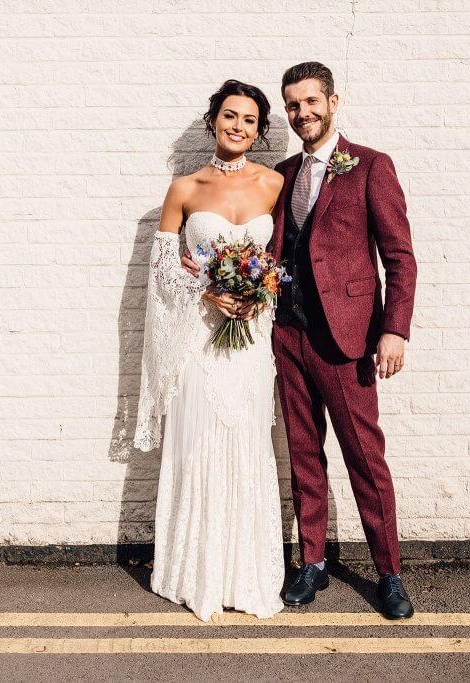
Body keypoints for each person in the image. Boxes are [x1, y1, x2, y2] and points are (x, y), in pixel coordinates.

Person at [184, 62, 418, 619]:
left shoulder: (370, 167)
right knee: (304, 455)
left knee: (365, 457)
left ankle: (388, 573)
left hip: (349, 340)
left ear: (333, 102)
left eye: (311, 102)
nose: (302, 113)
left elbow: (400, 257)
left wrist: (393, 329)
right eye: (292, 106)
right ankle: (312, 562)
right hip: (285, 335)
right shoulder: (281, 174)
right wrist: (211, 277)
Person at [133, 80, 286, 622]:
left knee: (245, 443)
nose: (238, 126)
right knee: (199, 442)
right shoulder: (184, 188)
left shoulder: (274, 185)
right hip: (198, 339)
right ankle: (195, 570)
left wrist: (260, 288)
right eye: (229, 116)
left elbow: (285, 260)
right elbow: (162, 271)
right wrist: (207, 290)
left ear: (260, 130)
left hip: (250, 343)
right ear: (212, 121)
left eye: (249, 119)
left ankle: (242, 572)